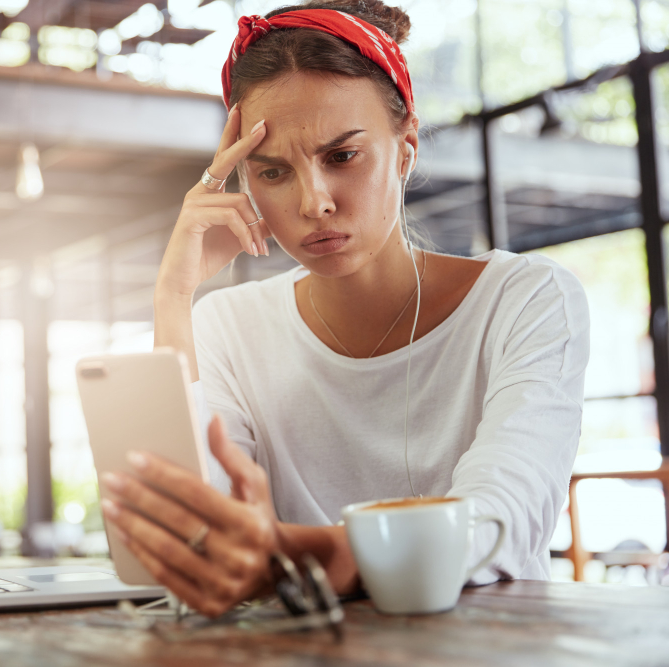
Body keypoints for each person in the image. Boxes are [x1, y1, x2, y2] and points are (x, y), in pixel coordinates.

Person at [99, 0, 589, 618]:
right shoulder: (225, 327)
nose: (314, 202)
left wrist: (302, 556)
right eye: (273, 171)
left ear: (405, 149)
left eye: (342, 156)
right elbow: (187, 545)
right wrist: (173, 299)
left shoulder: (525, 300)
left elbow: (502, 521)